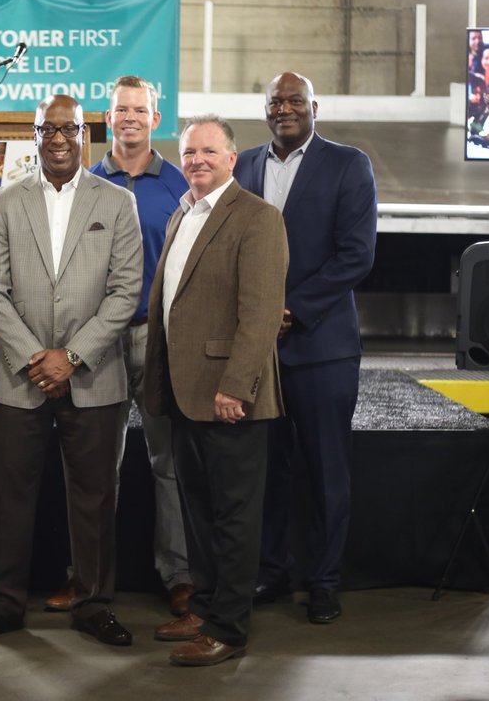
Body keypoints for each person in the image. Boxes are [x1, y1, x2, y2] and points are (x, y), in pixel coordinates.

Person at [0, 94, 143, 648]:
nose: (59, 139)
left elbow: (126, 290)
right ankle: (4, 604)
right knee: (9, 497)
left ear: (86, 135)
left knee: (95, 498)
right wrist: (37, 356)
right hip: (20, 377)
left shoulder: (117, 203)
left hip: (95, 377)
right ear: (33, 137)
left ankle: (94, 604)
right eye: (48, 130)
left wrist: (73, 356)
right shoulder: (6, 201)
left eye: (69, 129)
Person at [45, 75, 192, 617]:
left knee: (167, 464)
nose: (129, 117)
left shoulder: (180, 183)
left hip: (157, 339)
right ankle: (85, 579)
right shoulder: (79, 183)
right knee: (93, 469)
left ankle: (178, 576)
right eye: (119, 110)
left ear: (156, 118)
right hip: (93, 343)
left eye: (139, 109)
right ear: (107, 120)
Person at [144, 115, 288, 667]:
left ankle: (229, 627)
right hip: (184, 393)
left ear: (232, 158)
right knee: (199, 511)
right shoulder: (185, 211)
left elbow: (259, 317)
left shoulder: (257, 218)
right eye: (189, 153)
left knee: (233, 516)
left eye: (209, 151)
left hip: (229, 398)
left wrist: (236, 387)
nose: (197, 160)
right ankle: (203, 607)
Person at [235, 72, 378, 624]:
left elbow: (356, 253)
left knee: (324, 470)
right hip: (256, 351)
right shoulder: (244, 165)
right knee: (265, 470)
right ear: (266, 110)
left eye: (296, 100)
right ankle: (270, 571)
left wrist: (289, 309)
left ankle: (323, 580)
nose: (285, 108)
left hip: (321, 347)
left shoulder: (348, 164)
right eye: (276, 101)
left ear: (314, 107)